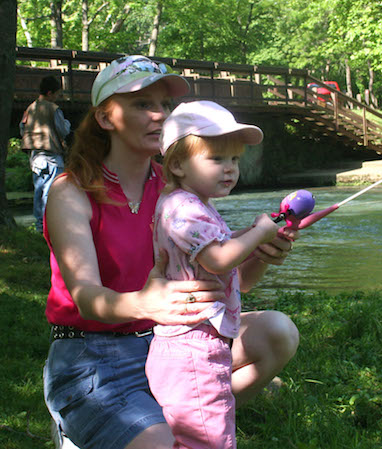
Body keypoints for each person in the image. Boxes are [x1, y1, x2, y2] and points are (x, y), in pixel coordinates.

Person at [43, 56, 299, 449]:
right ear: (106, 118)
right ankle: (92, 428)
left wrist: (259, 252)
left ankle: (197, 410)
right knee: (160, 445)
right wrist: (146, 303)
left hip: (172, 341)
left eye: (164, 106)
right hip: (92, 355)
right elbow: (87, 299)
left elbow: (229, 277)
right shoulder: (71, 191)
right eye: (143, 104)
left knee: (277, 333)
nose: (159, 115)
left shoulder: (179, 186)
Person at [146, 100, 280, 449]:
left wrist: (255, 242)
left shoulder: (196, 205)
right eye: (216, 159)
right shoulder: (183, 209)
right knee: (208, 439)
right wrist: (258, 234)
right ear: (176, 164)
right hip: (191, 348)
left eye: (234, 159)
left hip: (200, 345)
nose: (230, 169)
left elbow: (232, 265)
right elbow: (220, 259)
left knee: (205, 431)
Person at [20, 75, 71, 232]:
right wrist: (68, 124)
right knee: (52, 193)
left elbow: (22, 129)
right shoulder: (53, 108)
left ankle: (39, 226)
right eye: (56, 94)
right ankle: (50, 227)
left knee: (39, 191)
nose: (57, 98)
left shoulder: (30, 108)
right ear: (50, 93)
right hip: (51, 156)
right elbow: (63, 130)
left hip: (35, 156)